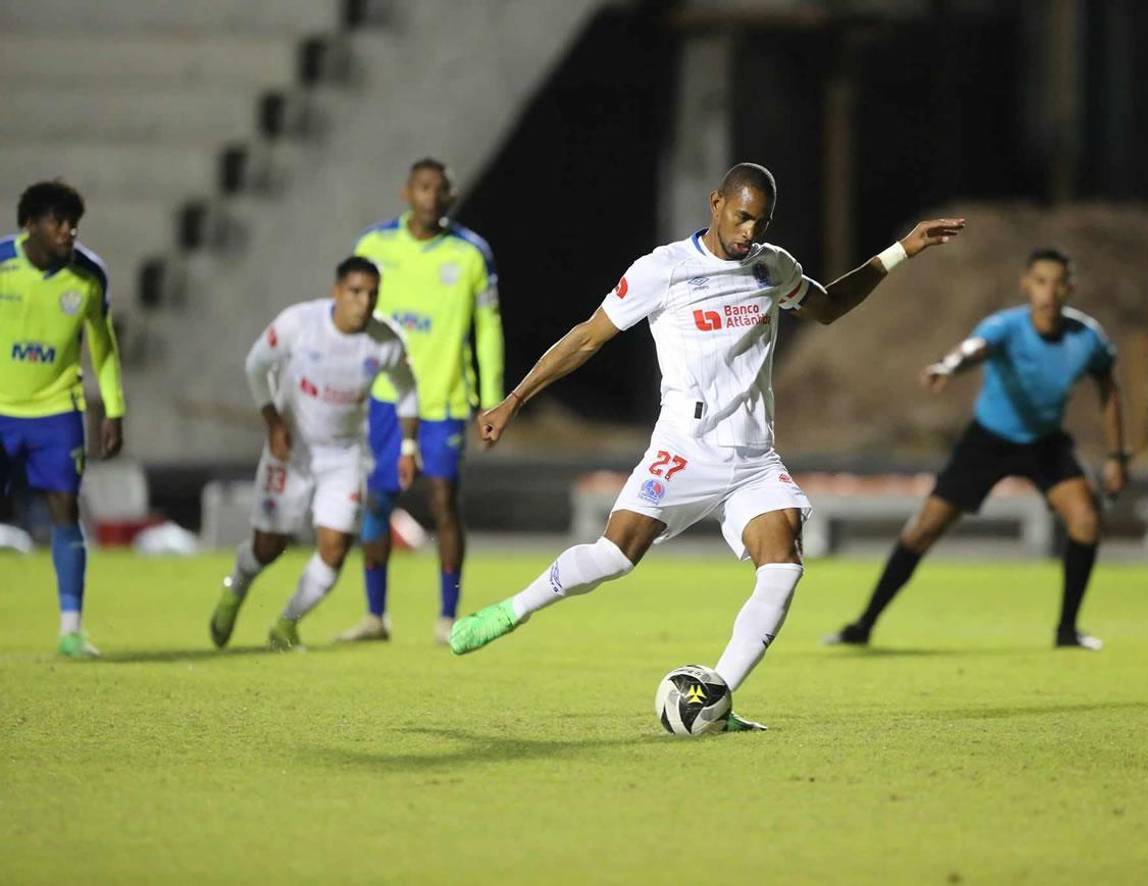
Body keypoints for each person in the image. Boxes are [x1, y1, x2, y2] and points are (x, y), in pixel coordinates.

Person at [449, 162, 963, 729]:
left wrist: (901, 251)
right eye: (742, 217)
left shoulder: (771, 266)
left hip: (753, 459)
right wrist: (515, 399)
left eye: (761, 222)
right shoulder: (663, 270)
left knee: (784, 563)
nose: (750, 232)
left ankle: (712, 698)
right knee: (614, 556)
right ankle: (512, 610)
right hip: (685, 448)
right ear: (716, 203)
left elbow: (829, 307)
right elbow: (588, 337)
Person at [827, 248, 1127, 651]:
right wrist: (947, 367)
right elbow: (973, 349)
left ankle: (1067, 631)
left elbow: (1110, 389)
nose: (1049, 292)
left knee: (1086, 521)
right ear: (1026, 285)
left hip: (1045, 442)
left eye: (1059, 283)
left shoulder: (1087, 337)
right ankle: (863, 624)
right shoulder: (1005, 326)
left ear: (1070, 288)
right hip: (989, 439)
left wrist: (1118, 456)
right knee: (924, 530)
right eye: (1041, 281)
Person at [209, 257, 418, 650]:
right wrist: (272, 421)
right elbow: (257, 365)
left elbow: (407, 390)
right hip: (293, 451)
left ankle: (286, 625)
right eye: (356, 292)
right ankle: (236, 586)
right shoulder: (299, 324)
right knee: (267, 548)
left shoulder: (385, 341)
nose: (364, 302)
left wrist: (408, 447)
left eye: (372, 294)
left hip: (345, 456)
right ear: (336, 291)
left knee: (335, 549)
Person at [338, 158, 504, 645]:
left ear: (450, 196)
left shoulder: (472, 254)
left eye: (440, 189)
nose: (431, 197)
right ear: (406, 192)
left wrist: (492, 399)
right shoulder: (374, 246)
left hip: (445, 398)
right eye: (423, 188)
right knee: (377, 499)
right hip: (385, 398)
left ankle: (447, 616)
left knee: (443, 500)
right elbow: (351, 318)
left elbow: (488, 328)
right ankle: (375, 616)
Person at [0, 181, 125, 659]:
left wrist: (115, 408)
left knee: (64, 511)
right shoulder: (3, 265)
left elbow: (103, 344)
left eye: (73, 224)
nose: (68, 232)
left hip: (56, 409)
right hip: (1, 409)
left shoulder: (89, 275)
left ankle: (71, 630)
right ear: (30, 224)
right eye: (58, 222)